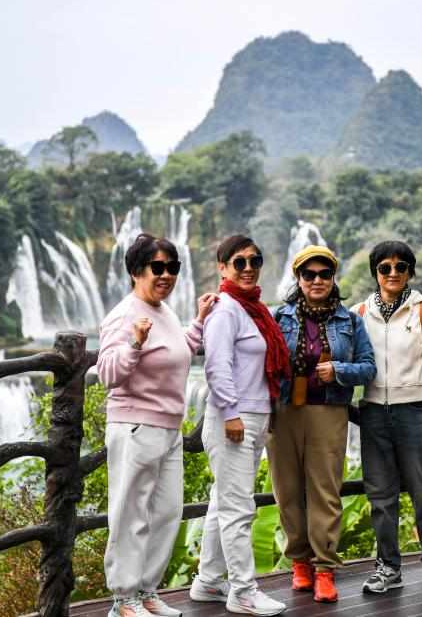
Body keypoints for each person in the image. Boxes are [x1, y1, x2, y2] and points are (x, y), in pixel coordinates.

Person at [96, 233, 217, 617]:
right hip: (135, 427)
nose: (166, 275)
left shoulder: (164, 312)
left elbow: (178, 350)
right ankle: (124, 598)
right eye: (158, 267)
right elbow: (107, 374)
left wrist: (199, 321)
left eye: (173, 267)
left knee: (166, 512)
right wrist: (134, 343)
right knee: (131, 515)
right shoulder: (123, 315)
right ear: (136, 271)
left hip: (168, 429)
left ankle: (147, 591)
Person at [268, 245, 376, 604]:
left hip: (329, 412)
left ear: (333, 278)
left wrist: (339, 371)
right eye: (309, 274)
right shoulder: (279, 318)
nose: (317, 280)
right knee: (287, 489)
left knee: (325, 491)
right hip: (285, 411)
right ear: (298, 279)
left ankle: (325, 568)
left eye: (324, 274)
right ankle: (300, 562)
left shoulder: (350, 322)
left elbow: (368, 367)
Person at [190, 235, 288, 616]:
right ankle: (244, 592)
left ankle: (208, 581)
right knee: (238, 507)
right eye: (239, 262)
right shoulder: (225, 310)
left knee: (223, 502)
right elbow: (216, 365)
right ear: (222, 267)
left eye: (254, 261)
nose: (248, 268)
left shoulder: (255, 310)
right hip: (233, 418)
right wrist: (230, 413)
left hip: (254, 415)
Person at [355, 241, 422, 595]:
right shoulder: (359, 313)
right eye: (385, 267)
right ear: (376, 273)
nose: (393, 273)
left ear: (410, 271)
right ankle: (388, 567)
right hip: (373, 412)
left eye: (401, 267)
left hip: (415, 410)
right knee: (380, 495)